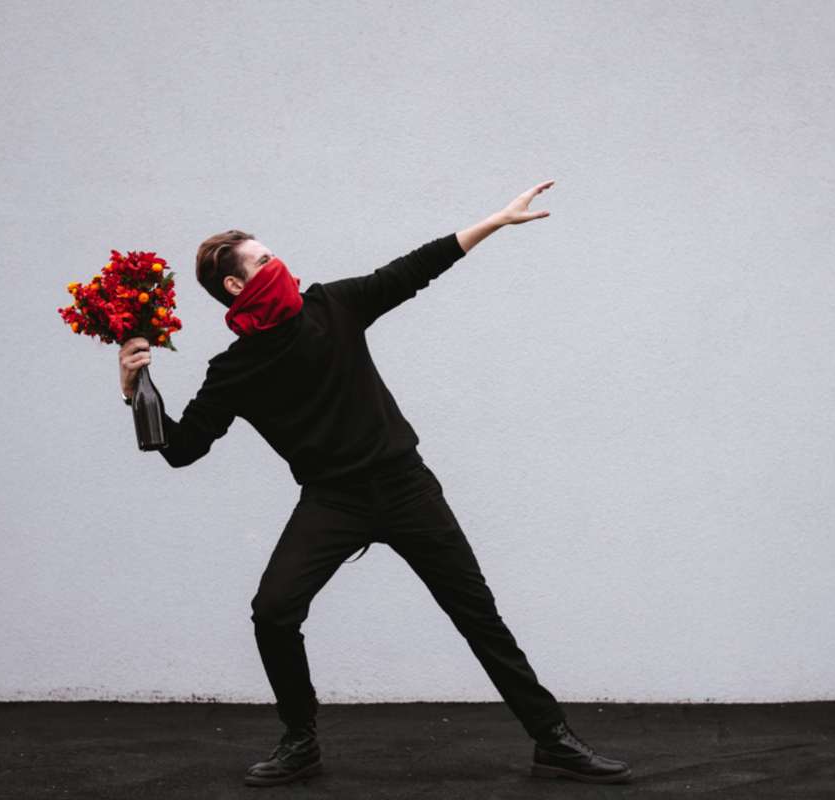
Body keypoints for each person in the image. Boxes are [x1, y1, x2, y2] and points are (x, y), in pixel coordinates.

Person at [117, 180, 632, 787]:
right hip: (333, 501)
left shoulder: (331, 306)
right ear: (235, 286)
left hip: (405, 486)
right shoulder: (234, 370)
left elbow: (411, 270)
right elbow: (181, 450)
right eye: (261, 260)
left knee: (478, 616)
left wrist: (495, 220)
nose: (276, 263)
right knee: (273, 613)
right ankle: (300, 740)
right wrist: (133, 390)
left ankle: (553, 741)